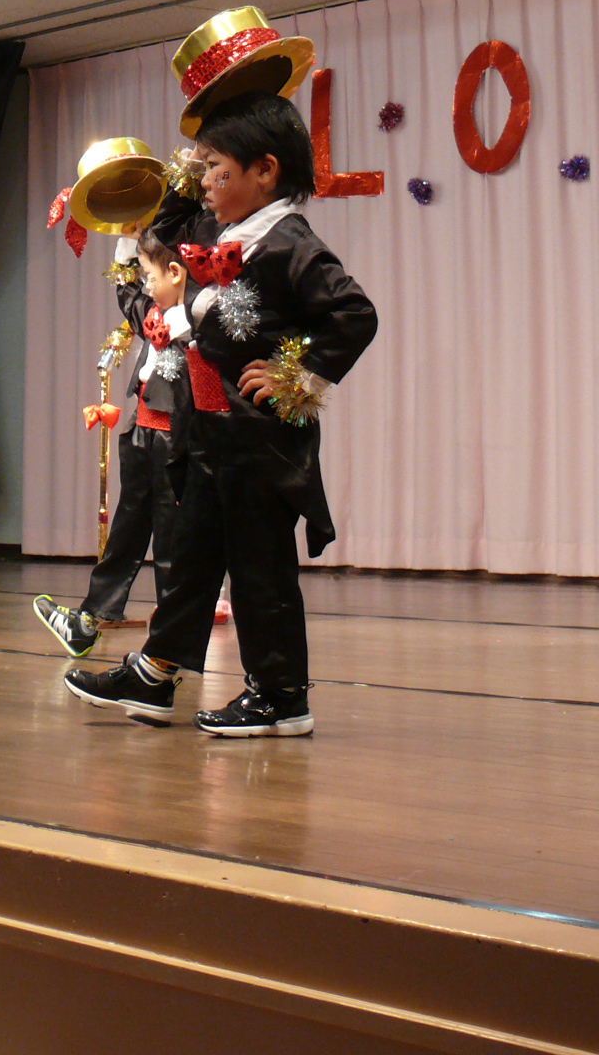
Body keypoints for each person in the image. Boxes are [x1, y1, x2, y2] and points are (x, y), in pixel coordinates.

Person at [64, 92, 377, 736]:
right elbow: (165, 226)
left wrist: (299, 376)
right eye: (203, 168)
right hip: (209, 433)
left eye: (217, 169)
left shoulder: (291, 243)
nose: (205, 182)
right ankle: (155, 674)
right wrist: (188, 167)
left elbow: (355, 314)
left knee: (261, 569)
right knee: (193, 557)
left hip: (259, 442)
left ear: (265, 171)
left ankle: (281, 696)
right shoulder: (222, 233)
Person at [33, 218, 192, 655]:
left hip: (173, 442)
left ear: (177, 273)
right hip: (142, 432)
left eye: (151, 277)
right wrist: (126, 238)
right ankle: (91, 618)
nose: (146, 286)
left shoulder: (194, 324)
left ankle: (170, 640)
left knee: (170, 540)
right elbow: (128, 295)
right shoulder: (154, 312)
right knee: (127, 529)